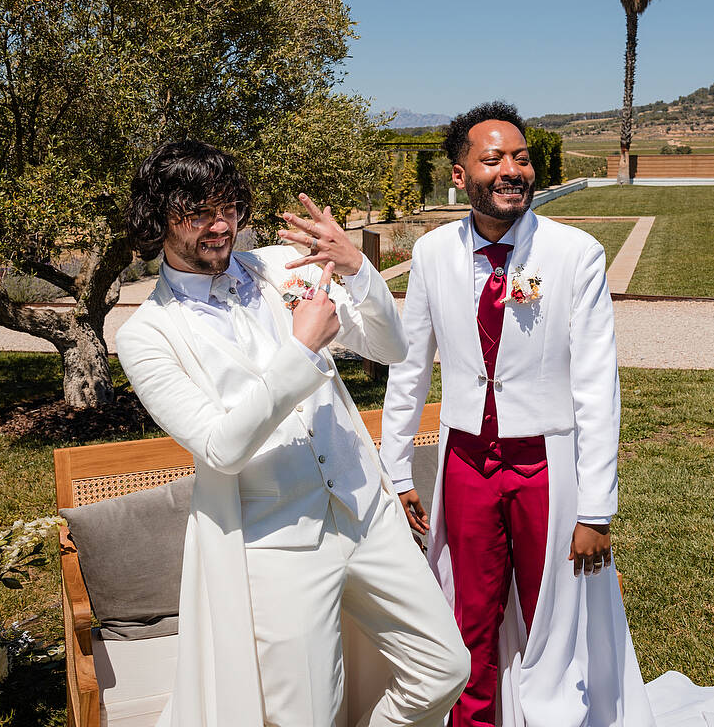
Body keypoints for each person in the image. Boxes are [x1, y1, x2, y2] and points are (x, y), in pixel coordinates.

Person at [115, 140, 468, 727]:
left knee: (444, 668)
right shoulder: (147, 336)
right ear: (158, 218)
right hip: (277, 543)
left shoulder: (282, 266)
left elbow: (390, 346)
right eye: (197, 211)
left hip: (364, 511)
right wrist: (301, 349)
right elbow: (220, 447)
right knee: (308, 713)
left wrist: (357, 270)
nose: (219, 224)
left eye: (228, 207)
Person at [380, 102, 656, 726]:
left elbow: (595, 384)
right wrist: (397, 471)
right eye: (494, 158)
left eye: (522, 158)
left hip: (546, 464)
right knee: (467, 616)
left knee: (553, 616)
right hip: (466, 462)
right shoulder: (430, 256)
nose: (512, 170)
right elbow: (409, 369)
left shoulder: (575, 254)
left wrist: (596, 508)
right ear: (459, 175)